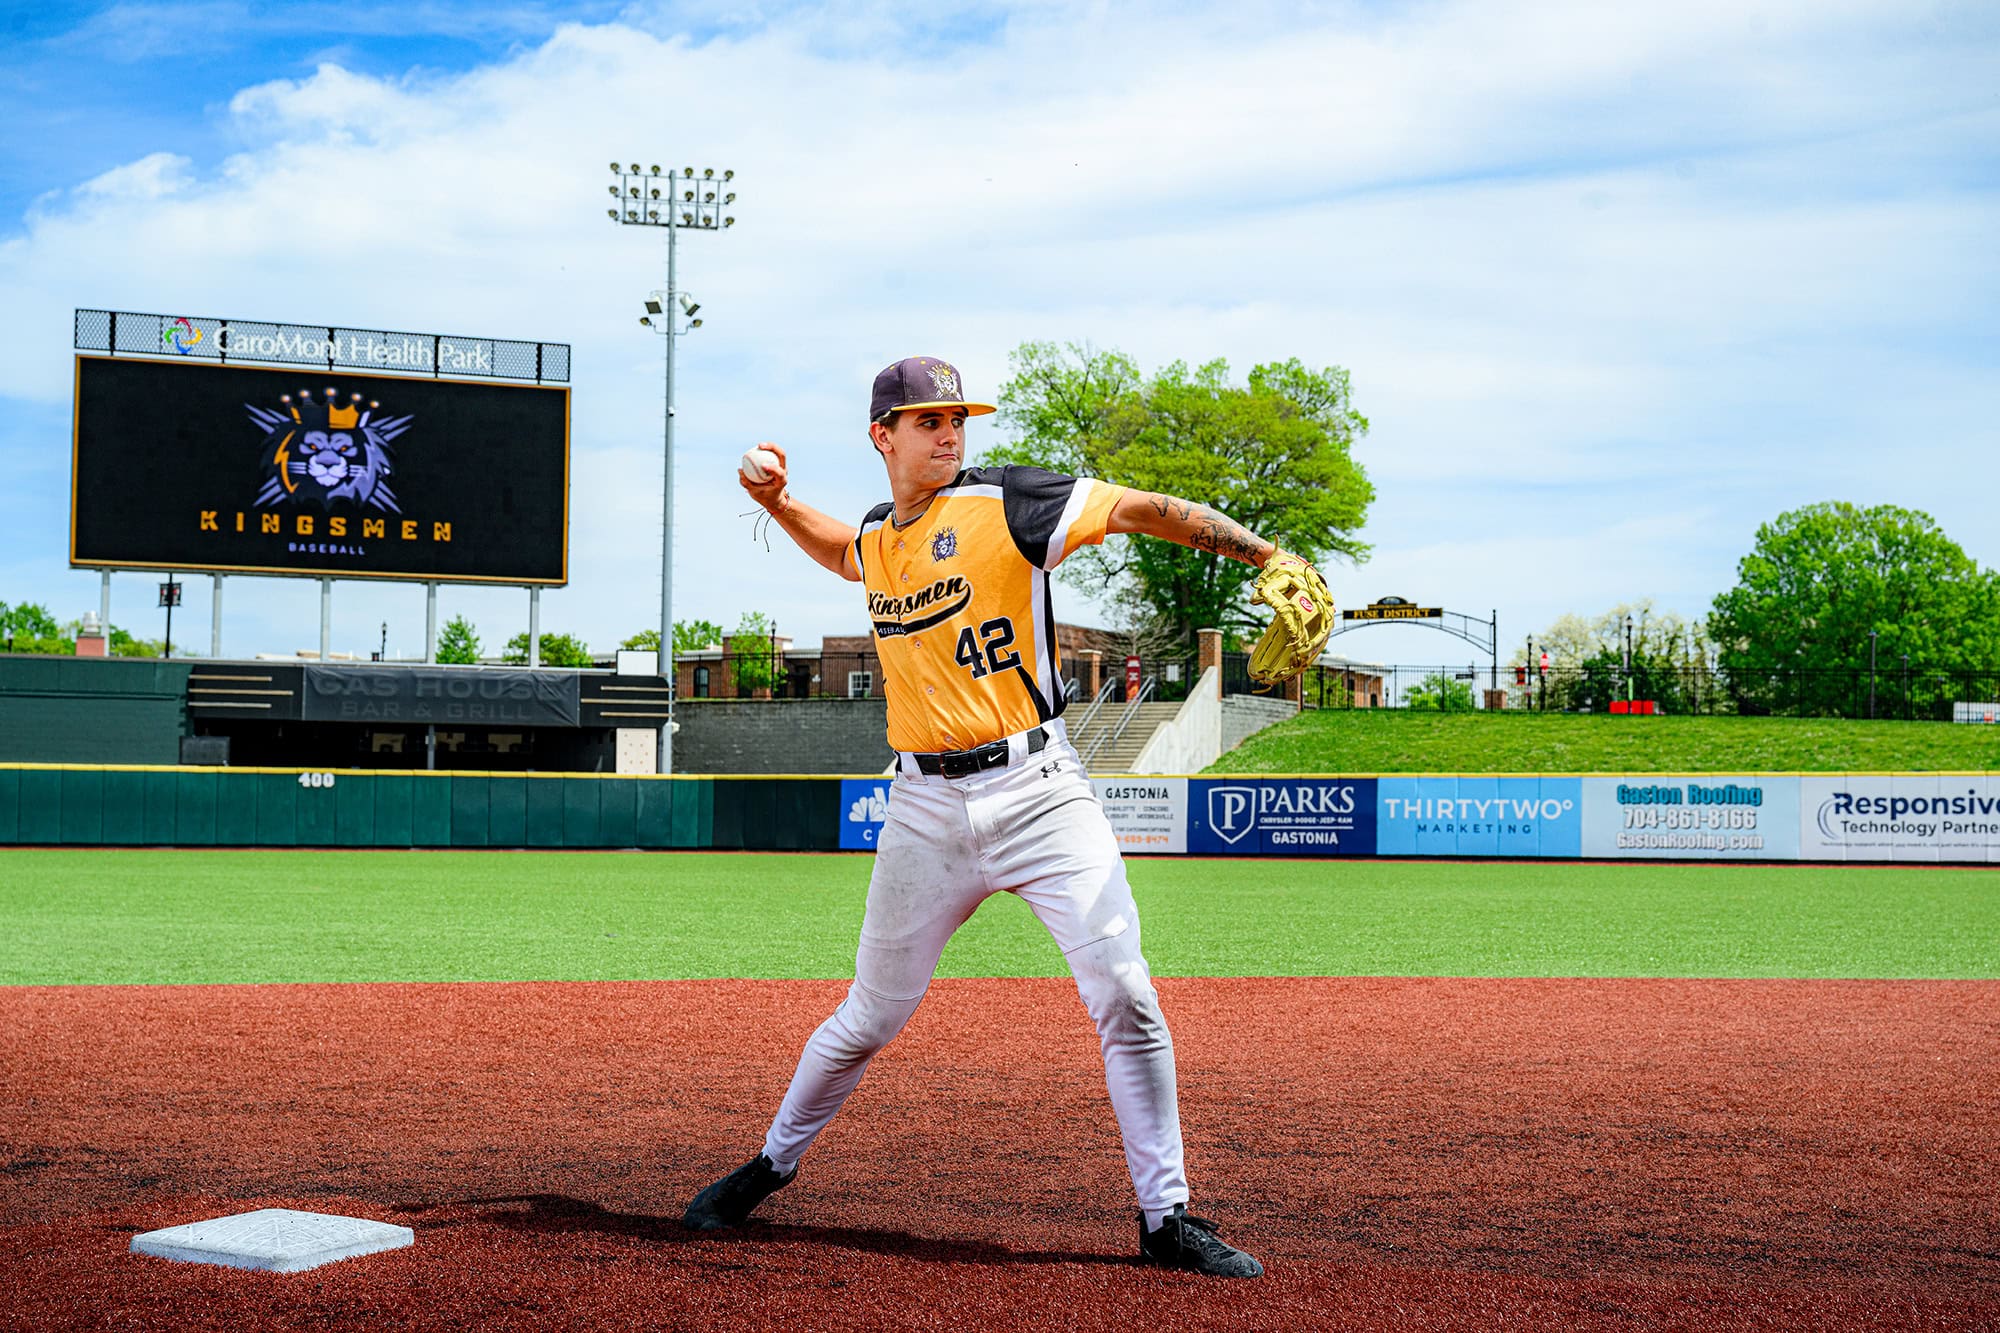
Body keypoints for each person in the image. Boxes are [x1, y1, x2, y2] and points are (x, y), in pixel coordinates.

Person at [685, 356, 1314, 1277]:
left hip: (1038, 789)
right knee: (868, 1017)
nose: (950, 431)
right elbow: (841, 550)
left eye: (957, 417)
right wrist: (780, 503)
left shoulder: (1010, 501)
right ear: (883, 436)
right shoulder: (880, 537)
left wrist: (1266, 555)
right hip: (923, 808)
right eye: (928, 418)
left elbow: (1138, 507)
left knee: (1126, 993)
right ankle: (768, 1165)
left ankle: (1165, 1215)